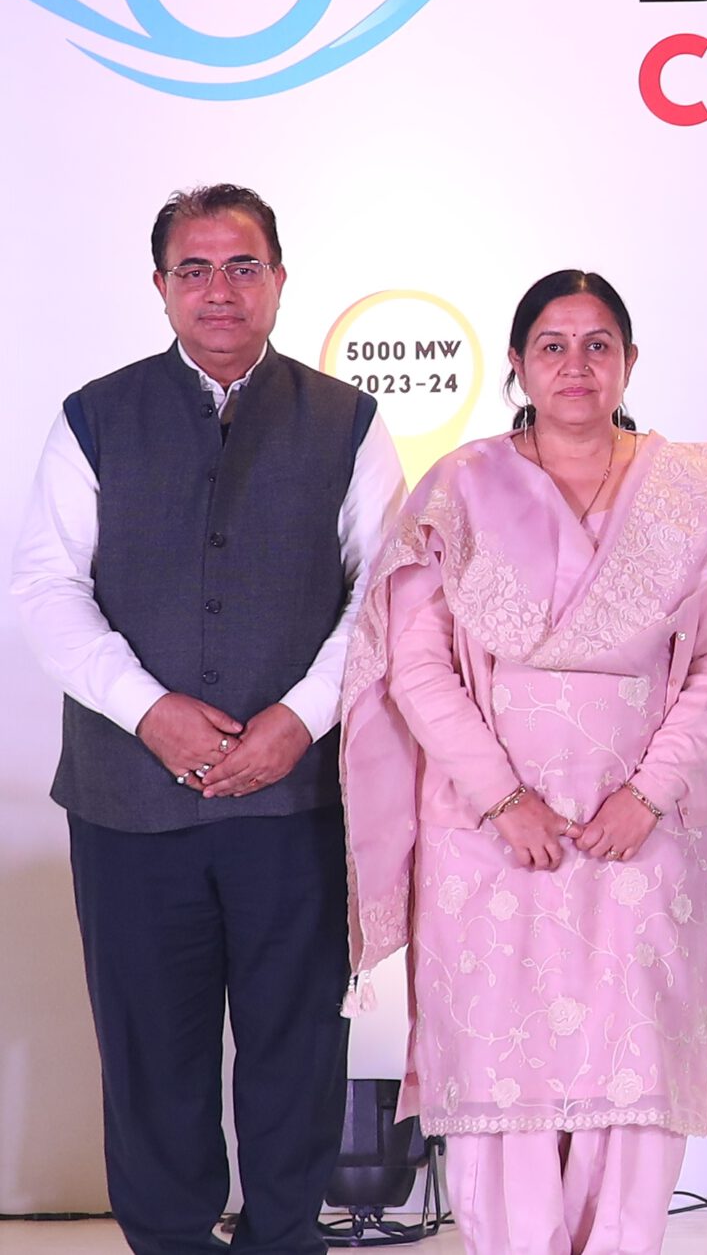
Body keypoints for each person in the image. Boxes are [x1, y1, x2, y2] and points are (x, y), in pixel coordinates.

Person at [338, 270, 707, 1255]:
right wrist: (502, 799)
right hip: (487, 835)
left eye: (598, 345)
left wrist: (649, 795)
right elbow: (415, 664)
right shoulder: (460, 487)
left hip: (642, 835)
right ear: (516, 363)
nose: (576, 365)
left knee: (634, 1074)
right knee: (498, 1077)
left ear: (630, 361)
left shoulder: (688, 495)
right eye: (552, 344)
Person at [10, 185, 403, 1255]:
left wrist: (300, 720)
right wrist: (149, 712)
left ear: (279, 279)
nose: (219, 290)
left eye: (242, 266)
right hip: (129, 802)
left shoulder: (349, 422)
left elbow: (385, 597)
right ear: (160, 286)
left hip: (296, 801)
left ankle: (285, 1239)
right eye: (195, 269)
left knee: (296, 1048)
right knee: (152, 1054)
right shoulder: (94, 416)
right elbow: (46, 587)